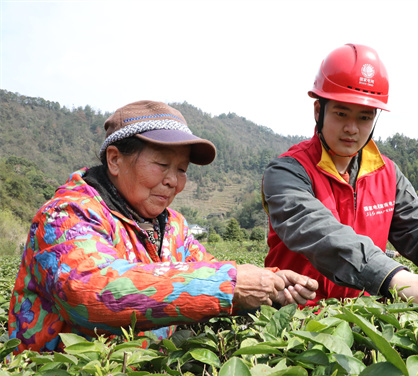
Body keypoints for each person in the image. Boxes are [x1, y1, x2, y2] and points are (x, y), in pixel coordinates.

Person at [8, 100, 317, 355]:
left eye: (181, 169)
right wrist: (228, 285)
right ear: (115, 160)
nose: (173, 180)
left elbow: (209, 267)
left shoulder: (173, 227)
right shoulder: (66, 216)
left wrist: (273, 284)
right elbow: (90, 291)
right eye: (161, 165)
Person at [262, 44, 418, 315]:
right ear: (319, 110)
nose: (352, 128)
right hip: (295, 319)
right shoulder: (287, 172)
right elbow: (318, 232)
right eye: (341, 113)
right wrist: (395, 278)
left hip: (364, 319)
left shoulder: (386, 173)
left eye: (364, 117)